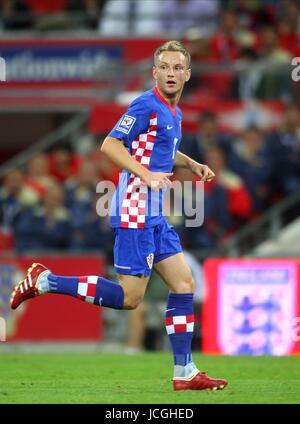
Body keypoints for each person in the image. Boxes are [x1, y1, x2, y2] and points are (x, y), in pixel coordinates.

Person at [10, 40, 228, 391]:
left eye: (177, 68)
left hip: (155, 214)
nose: (171, 73)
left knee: (184, 284)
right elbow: (110, 145)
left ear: (187, 74)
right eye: (164, 67)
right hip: (134, 210)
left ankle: (185, 372)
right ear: (154, 72)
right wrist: (145, 175)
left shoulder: (174, 112)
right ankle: (46, 281)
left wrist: (191, 163)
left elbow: (162, 151)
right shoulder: (145, 104)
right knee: (130, 299)